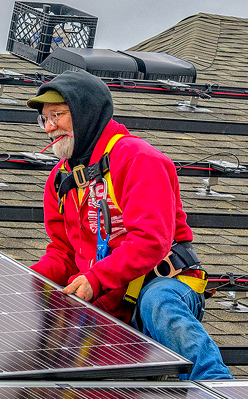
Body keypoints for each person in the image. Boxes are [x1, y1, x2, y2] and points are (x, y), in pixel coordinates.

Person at [26, 70, 232, 380]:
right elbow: (63, 252)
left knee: (157, 301)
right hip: (107, 300)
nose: (50, 127)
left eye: (58, 115)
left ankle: (217, 390)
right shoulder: (60, 180)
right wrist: (23, 283)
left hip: (162, 283)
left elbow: (150, 241)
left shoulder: (138, 159)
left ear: (85, 113)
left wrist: (95, 279)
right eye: (44, 119)